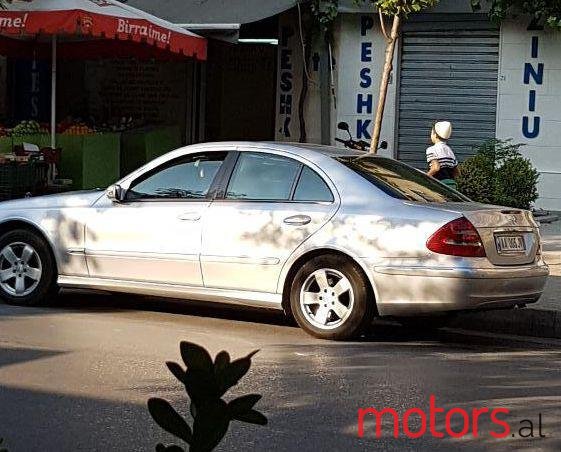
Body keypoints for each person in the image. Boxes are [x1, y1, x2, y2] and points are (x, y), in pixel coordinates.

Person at [426, 121, 459, 189]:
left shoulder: (431, 149)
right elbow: (457, 172)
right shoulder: (449, 151)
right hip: (452, 185)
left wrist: (425, 177)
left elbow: (436, 168)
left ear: (434, 134)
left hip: (439, 185)